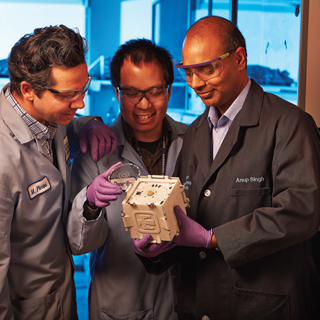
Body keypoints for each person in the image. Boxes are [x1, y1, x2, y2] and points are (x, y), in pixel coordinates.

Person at [132, 16, 320, 319]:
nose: (195, 84)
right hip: (200, 304)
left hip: (264, 306)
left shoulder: (289, 124)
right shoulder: (194, 134)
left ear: (239, 59)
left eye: (207, 69)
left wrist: (213, 238)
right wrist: (157, 247)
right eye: (188, 72)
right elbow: (185, 218)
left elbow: (300, 213)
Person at [0, 25, 116, 319]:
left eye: (83, 88)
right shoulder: (3, 157)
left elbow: (70, 125)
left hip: (61, 297)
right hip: (24, 307)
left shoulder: (51, 116)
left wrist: (90, 124)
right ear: (27, 90)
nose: (80, 103)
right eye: (70, 95)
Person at [68, 38, 188, 319]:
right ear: (116, 92)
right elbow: (78, 244)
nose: (144, 104)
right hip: (122, 302)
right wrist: (89, 204)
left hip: (185, 298)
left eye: (155, 91)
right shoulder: (95, 153)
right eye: (132, 92)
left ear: (169, 91)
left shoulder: (194, 141)